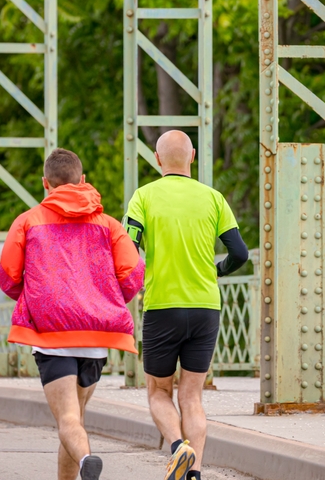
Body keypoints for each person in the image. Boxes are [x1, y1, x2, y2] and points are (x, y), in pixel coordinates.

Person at [0, 148, 144, 480]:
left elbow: (7, 276)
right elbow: (133, 275)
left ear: (45, 183)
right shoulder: (108, 225)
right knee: (75, 417)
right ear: (83, 180)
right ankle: (80, 465)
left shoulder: (28, 221)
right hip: (96, 339)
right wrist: (101, 300)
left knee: (67, 419)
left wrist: (39, 298)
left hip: (52, 338)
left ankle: (88, 458)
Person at [125, 130, 249, 480]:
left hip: (163, 305)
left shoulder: (143, 197)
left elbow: (128, 250)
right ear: (192, 156)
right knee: (192, 396)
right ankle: (194, 472)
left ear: (157, 158)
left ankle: (178, 447)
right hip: (206, 306)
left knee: (159, 391)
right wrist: (217, 271)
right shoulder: (213, 198)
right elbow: (240, 253)